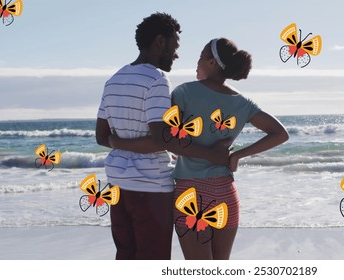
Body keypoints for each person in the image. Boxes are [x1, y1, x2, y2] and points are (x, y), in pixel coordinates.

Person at [110, 37, 289, 259]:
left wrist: (117, 141)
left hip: (191, 193)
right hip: (226, 192)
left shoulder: (184, 92)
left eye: (200, 57)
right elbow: (281, 133)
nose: (197, 63)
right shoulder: (242, 103)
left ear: (212, 62)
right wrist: (238, 156)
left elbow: (166, 138)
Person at [95, 12, 230, 260]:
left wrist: (119, 143)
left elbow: (102, 137)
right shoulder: (156, 79)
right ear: (160, 41)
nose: (176, 54)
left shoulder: (113, 80)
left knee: (126, 256)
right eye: (174, 46)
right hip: (150, 187)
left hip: (117, 184)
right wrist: (211, 154)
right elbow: (161, 139)